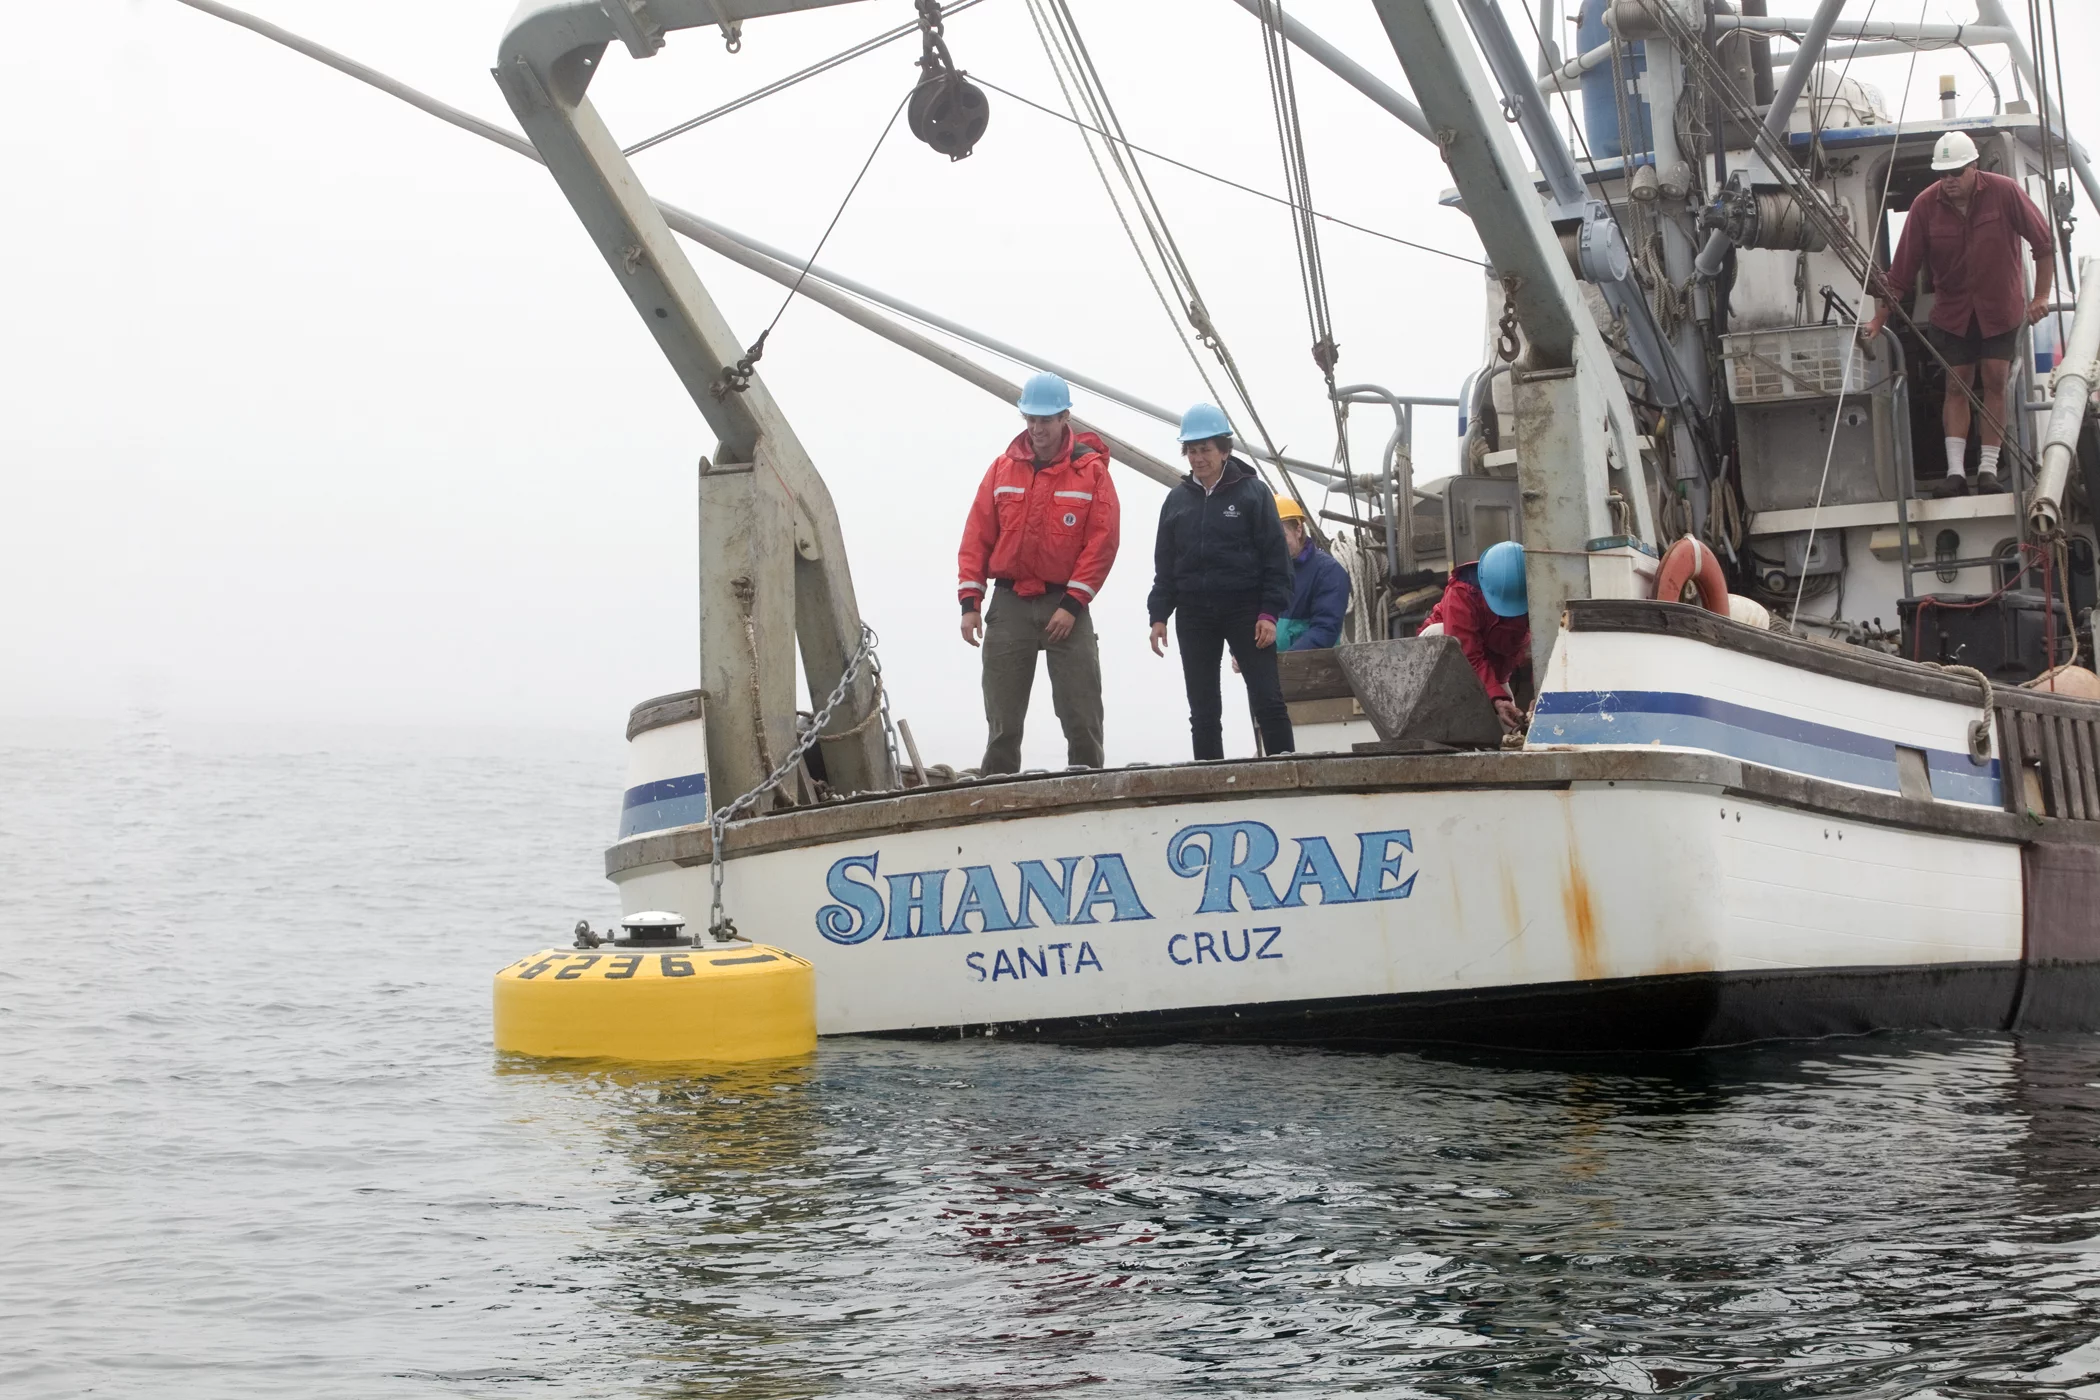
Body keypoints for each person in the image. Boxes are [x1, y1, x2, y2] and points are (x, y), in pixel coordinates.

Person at [1865, 130, 2056, 498]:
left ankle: (1988, 471)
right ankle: (1955, 474)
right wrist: (1878, 321)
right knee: (1956, 385)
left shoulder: (2005, 192)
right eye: (1942, 174)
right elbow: (1900, 275)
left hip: (2000, 309)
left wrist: (2042, 296)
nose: (1948, 180)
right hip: (1952, 314)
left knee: (1996, 379)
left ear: (1974, 168)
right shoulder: (1924, 206)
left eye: (1955, 172)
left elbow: (2043, 243)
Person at [957, 372, 1120, 774]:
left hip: (1066, 605)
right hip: (1009, 603)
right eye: (1030, 419)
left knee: (1081, 714)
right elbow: (977, 535)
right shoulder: (1001, 469)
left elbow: (1102, 542)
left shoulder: (1092, 472)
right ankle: (996, 792)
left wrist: (1073, 603)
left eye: (1045, 420)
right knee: (1003, 720)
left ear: (1065, 418)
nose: (1037, 428)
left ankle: (1088, 789)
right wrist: (970, 603)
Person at [1147, 403, 1294, 758]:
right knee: (1203, 712)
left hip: (1246, 610)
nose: (1198, 458)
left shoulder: (1253, 493)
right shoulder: (1176, 501)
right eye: (1192, 450)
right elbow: (1165, 565)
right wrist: (1159, 615)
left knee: (1268, 701)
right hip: (1194, 614)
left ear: (1225, 450)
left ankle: (1287, 771)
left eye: (1205, 449)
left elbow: (1276, 558)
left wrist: (1269, 612)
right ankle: (1209, 779)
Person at [1420, 540, 1530, 733]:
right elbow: (1467, 651)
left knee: (1509, 734)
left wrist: (1501, 697)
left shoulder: (1539, 594)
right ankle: (1432, 718)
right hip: (1458, 663)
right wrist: (1496, 696)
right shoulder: (1463, 591)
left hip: (1493, 668)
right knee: (1440, 636)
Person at [1275, 495, 1352, 651]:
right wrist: (1241, 651)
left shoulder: (1328, 572)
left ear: (1298, 529)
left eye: (1280, 536)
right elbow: (1245, 616)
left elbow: (1326, 629)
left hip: (1310, 664)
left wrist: (1287, 660)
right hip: (1269, 664)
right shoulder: (1265, 570)